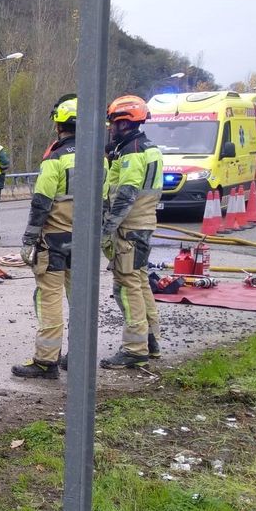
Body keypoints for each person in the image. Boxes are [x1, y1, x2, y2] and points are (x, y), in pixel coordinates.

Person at [12, 97, 77, 379]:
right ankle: (79, 355)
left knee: (49, 299)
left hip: (55, 240)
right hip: (84, 240)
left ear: (59, 125)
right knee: (81, 299)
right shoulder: (100, 156)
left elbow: (42, 201)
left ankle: (46, 361)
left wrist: (29, 238)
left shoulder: (56, 157)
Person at [98, 95, 164, 369]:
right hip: (143, 224)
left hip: (130, 227)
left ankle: (135, 348)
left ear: (123, 122)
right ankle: (150, 340)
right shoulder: (148, 148)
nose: (110, 128)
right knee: (139, 281)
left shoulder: (133, 152)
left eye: (112, 122)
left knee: (126, 286)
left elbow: (126, 194)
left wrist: (105, 230)